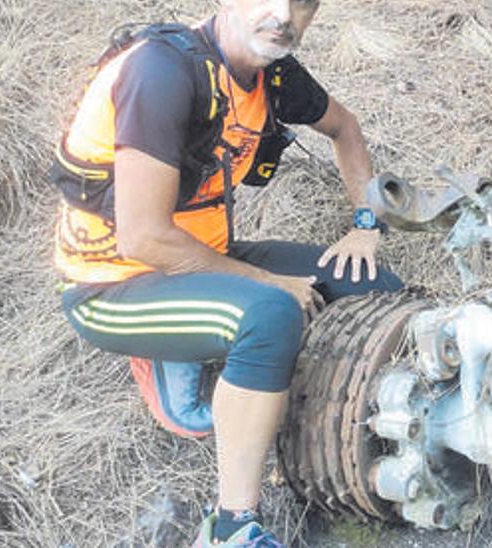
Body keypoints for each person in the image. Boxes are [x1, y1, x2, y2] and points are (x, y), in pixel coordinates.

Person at [50, 0, 396, 544]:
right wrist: (268, 282)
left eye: (302, 3)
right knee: (270, 312)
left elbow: (345, 128)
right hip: (113, 281)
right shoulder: (163, 71)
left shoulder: (270, 74)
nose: (283, 14)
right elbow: (143, 237)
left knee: (375, 287)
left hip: (200, 256)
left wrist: (366, 223)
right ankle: (231, 527)